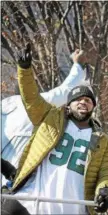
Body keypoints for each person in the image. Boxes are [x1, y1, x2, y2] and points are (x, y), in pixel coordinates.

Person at [5, 44, 108, 215]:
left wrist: (104, 193)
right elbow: (31, 98)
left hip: (74, 209)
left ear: (93, 106)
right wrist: (25, 69)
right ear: (68, 105)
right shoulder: (50, 119)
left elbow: (107, 173)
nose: (83, 102)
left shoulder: (103, 140)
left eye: (88, 100)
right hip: (34, 204)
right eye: (78, 99)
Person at [1, 49, 90, 187]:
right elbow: (66, 90)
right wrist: (78, 65)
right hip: (24, 181)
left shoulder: (5, 110)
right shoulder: (34, 105)